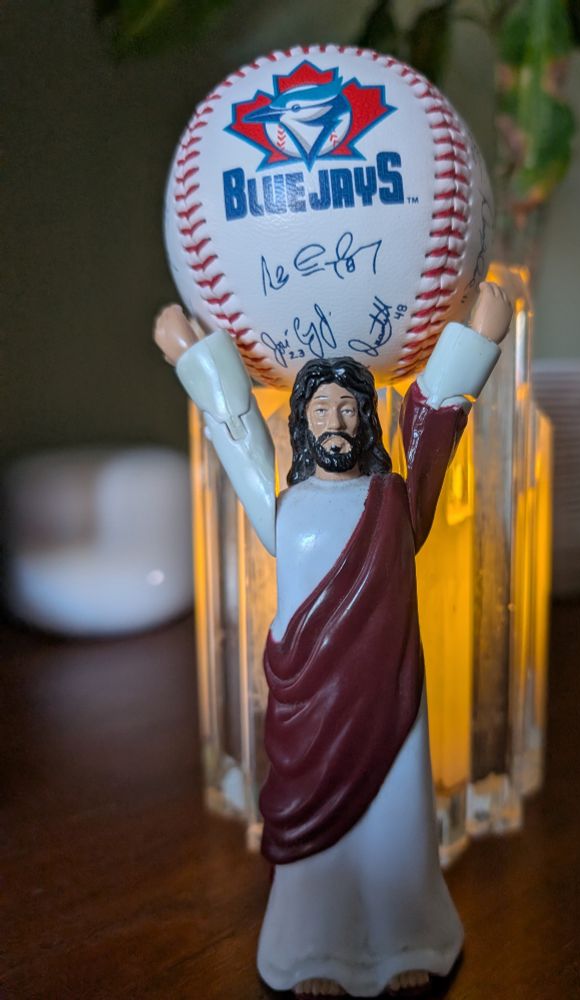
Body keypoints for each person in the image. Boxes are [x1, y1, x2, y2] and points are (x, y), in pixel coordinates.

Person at [154, 282, 512, 998]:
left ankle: (407, 941)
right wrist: (195, 357)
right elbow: (237, 433)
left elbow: (436, 427)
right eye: (321, 409)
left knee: (394, 829)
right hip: (309, 709)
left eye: (349, 407)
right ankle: (312, 950)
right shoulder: (283, 508)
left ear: (365, 420)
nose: (336, 420)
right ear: (303, 423)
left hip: (388, 700)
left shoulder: (394, 501)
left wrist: (478, 339)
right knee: (316, 849)